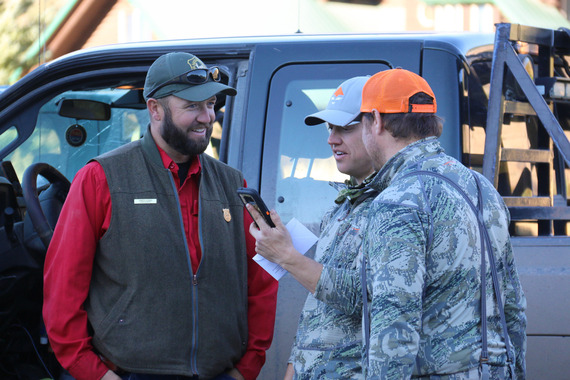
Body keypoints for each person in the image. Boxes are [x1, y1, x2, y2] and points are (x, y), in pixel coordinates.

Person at [43, 52, 278, 380]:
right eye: (192, 106)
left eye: (211, 104)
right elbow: (63, 288)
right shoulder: (100, 178)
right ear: (154, 109)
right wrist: (95, 374)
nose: (206, 117)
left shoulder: (232, 183)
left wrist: (247, 367)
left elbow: (262, 279)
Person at [358, 68, 527, 379]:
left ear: (376, 120)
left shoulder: (398, 200)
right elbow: (512, 304)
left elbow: (395, 321)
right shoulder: (481, 186)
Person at [248, 76, 376, 379]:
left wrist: (287, 256)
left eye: (345, 128)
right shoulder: (342, 205)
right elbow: (319, 307)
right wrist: (294, 367)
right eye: (330, 128)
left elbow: (369, 298)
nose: (332, 139)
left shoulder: (396, 207)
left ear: (378, 127)